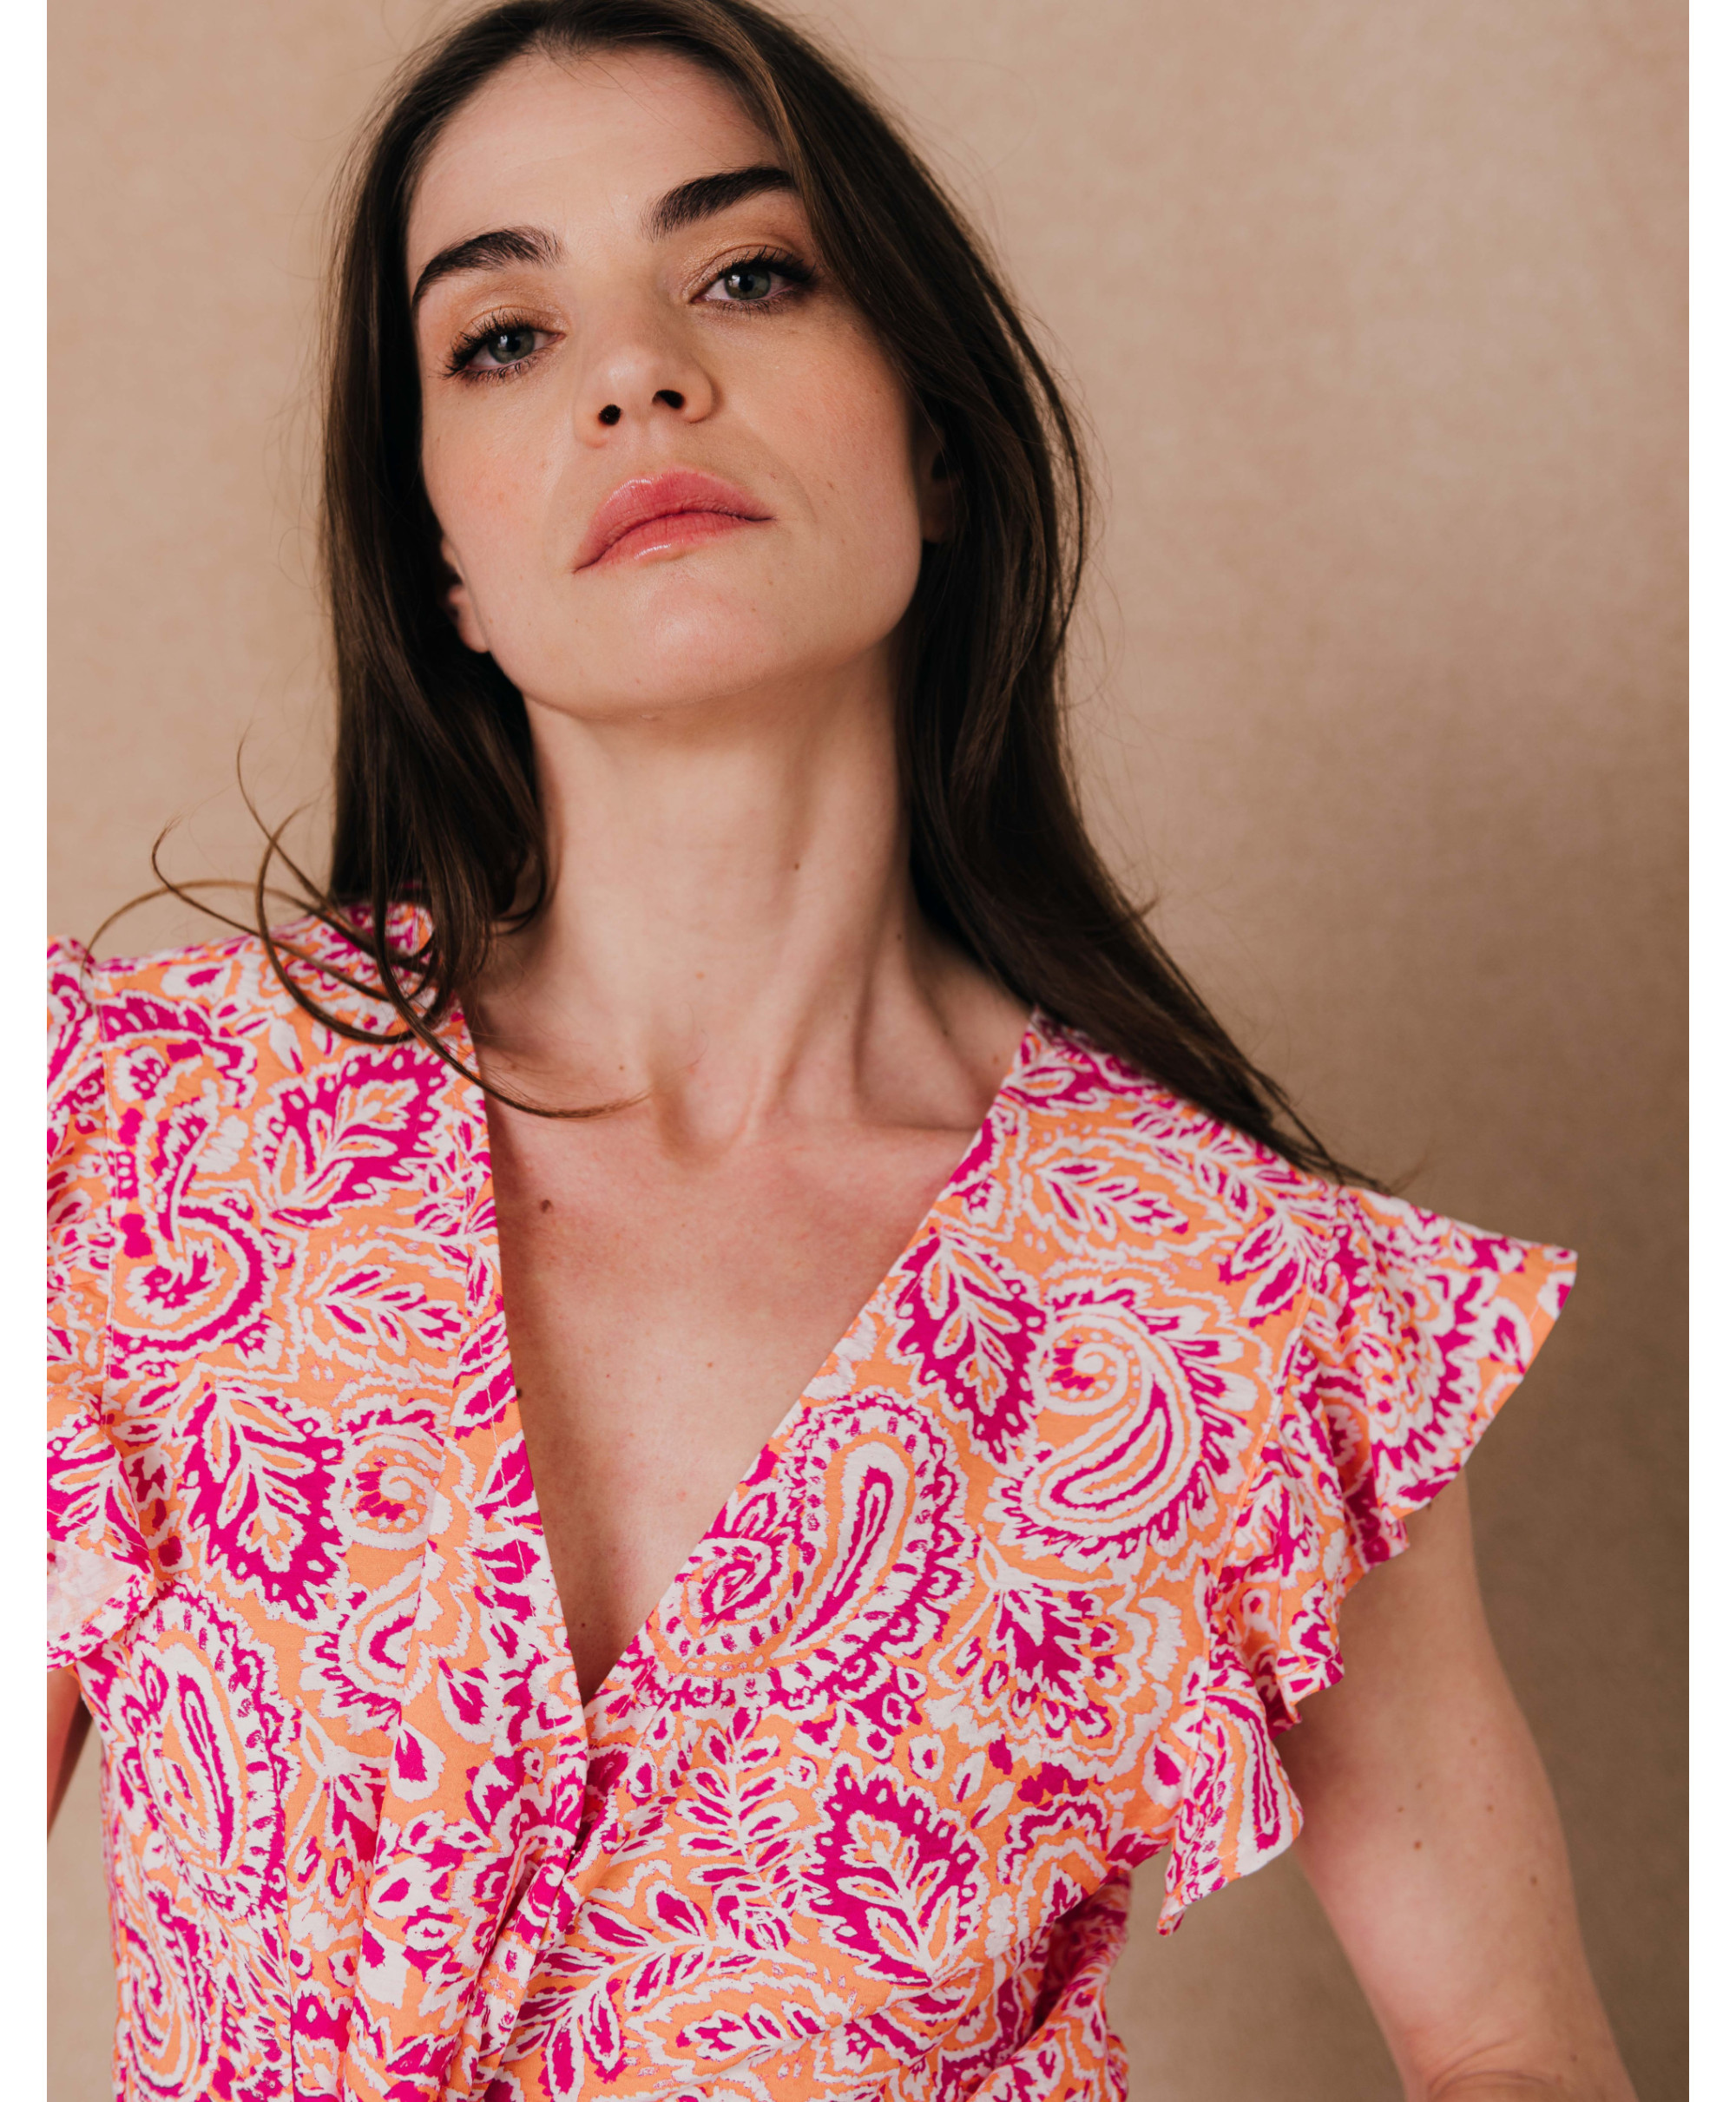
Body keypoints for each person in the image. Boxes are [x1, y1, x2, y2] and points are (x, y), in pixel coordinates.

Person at [45, 2, 1637, 2096]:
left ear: (936, 442)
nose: (635, 373)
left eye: (746, 274)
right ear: (446, 564)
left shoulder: (1245, 1315)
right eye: (503, 335)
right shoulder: (134, 1135)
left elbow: (1510, 2045)